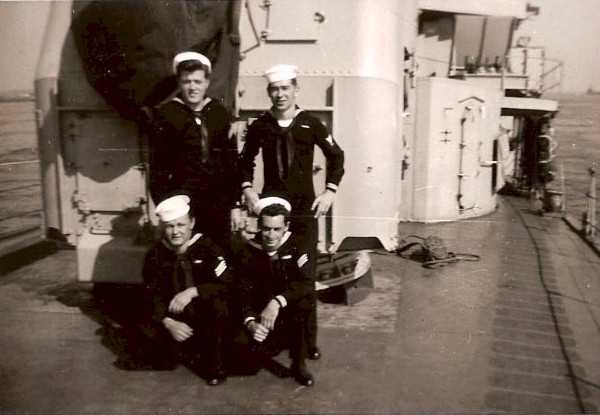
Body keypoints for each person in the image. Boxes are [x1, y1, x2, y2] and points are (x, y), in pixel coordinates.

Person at [239, 64, 345, 360]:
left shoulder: (311, 124)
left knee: (305, 275)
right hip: (272, 214)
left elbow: (337, 156)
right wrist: (247, 189)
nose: (280, 94)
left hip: (303, 212)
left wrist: (329, 192)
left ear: (296, 90)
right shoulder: (261, 126)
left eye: (285, 88)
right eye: (274, 89)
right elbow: (245, 160)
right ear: (269, 92)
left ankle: (308, 342)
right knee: (269, 273)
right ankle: (270, 333)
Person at [148, 51, 239, 250]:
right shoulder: (166, 115)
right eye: (186, 81)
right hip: (183, 203)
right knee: (187, 255)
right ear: (179, 83)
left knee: (220, 253)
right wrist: (167, 211)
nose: (192, 87)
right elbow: (157, 169)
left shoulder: (218, 112)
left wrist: (235, 205)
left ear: (207, 83)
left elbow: (231, 162)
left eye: (197, 81)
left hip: (218, 202)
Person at [140, 195, 231, 386]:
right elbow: (150, 295)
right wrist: (168, 322)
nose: (175, 232)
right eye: (170, 226)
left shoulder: (208, 247)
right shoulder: (156, 254)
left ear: (192, 223)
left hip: (204, 316)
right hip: (175, 317)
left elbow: (226, 283)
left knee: (220, 306)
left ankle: (216, 366)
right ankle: (180, 350)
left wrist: (192, 291)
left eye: (181, 225)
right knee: (148, 344)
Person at [232, 197, 316, 386]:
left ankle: (298, 362)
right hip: (260, 316)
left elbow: (307, 282)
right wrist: (250, 322)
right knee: (249, 366)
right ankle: (269, 347)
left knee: (304, 300)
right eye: (266, 229)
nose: (271, 235)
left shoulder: (299, 245)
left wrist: (277, 302)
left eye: (277, 229)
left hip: (288, 312)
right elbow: (241, 293)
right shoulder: (248, 251)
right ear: (259, 227)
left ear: (286, 226)